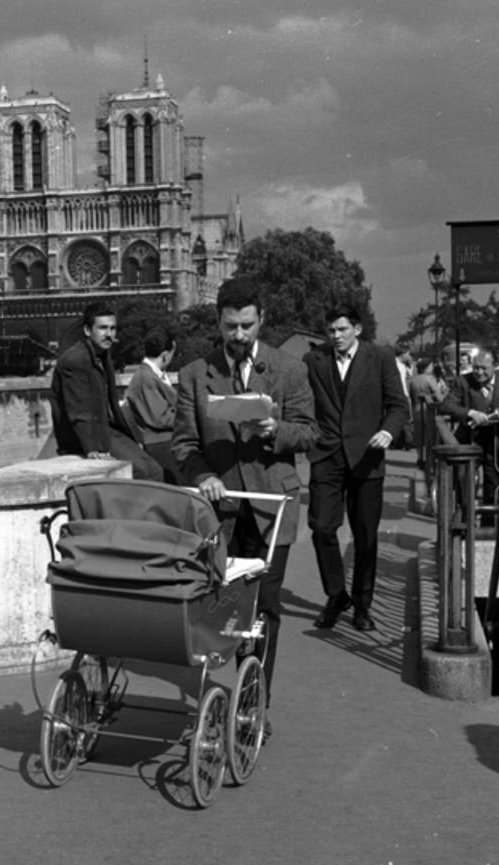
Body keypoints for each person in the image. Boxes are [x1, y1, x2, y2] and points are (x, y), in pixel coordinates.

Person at [171, 276, 318, 730]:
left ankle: (255, 703)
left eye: (247, 326)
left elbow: (311, 433)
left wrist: (279, 432)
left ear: (262, 320)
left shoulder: (289, 369)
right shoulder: (195, 374)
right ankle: (217, 693)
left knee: (265, 609)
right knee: (219, 604)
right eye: (230, 326)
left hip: (272, 504)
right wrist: (204, 475)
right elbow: (183, 444)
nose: (238, 336)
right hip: (221, 509)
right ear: (218, 321)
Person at [304, 304, 409, 631]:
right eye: (331, 331)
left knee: (365, 537)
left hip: (367, 456)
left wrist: (388, 431)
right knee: (322, 527)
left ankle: (363, 606)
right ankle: (336, 594)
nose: (335, 336)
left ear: (357, 329)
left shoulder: (380, 358)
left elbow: (398, 405)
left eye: (342, 330)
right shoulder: (314, 361)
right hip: (327, 456)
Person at [49, 300, 163, 481]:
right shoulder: (75, 360)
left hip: (107, 429)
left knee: (155, 468)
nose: (109, 334)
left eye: (113, 329)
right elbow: (79, 411)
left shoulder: (102, 355)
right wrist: (93, 449)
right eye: (103, 328)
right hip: (89, 437)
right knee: (145, 472)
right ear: (87, 331)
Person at [438, 349, 499, 513]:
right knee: (463, 481)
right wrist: (470, 413)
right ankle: (465, 520)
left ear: (495, 367)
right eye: (476, 367)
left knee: (496, 484)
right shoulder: (462, 382)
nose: (479, 372)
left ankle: (491, 526)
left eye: (484, 368)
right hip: (471, 440)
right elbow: (447, 405)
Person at [124, 326, 178, 482]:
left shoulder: (149, 375)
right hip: (162, 445)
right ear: (165, 355)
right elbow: (160, 418)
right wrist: (189, 414)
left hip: (162, 443)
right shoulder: (147, 378)